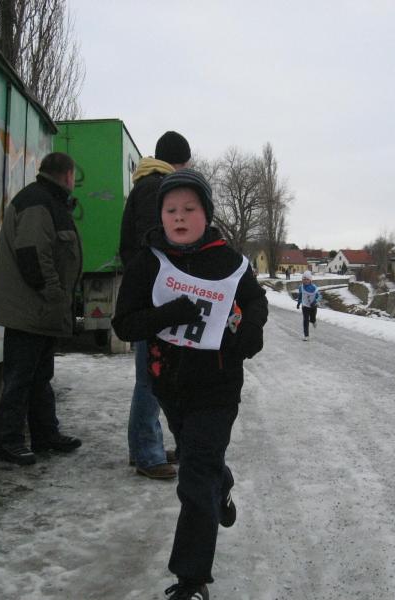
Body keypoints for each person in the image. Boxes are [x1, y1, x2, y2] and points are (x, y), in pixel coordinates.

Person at [112, 169, 268, 600]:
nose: (179, 217)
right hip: (170, 387)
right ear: (160, 216)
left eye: (189, 209)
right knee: (203, 464)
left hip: (218, 387)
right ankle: (222, 483)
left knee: (194, 477)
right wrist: (168, 314)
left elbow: (255, 299)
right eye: (170, 210)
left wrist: (251, 331)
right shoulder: (148, 263)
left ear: (206, 214)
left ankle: (191, 580)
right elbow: (125, 324)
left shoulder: (228, 261)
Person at [0, 152, 83, 466]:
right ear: (67, 175)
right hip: (30, 310)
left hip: (39, 310)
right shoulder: (38, 202)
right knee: (19, 379)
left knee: (40, 377)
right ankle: (11, 442)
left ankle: (46, 435)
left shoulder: (47, 200)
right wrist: (55, 295)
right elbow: (32, 256)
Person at [119, 131, 191, 480]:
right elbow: (156, 243)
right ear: (178, 161)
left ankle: (145, 447)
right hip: (152, 297)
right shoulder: (155, 188)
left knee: (153, 376)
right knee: (152, 377)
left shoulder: (148, 185)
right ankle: (147, 454)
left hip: (150, 294)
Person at [296, 270, 321, 341]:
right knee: (305, 320)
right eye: (304, 279)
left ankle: (313, 321)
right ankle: (306, 336)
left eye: (307, 279)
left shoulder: (314, 287)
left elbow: (319, 296)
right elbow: (300, 296)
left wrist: (315, 301)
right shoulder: (301, 287)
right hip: (305, 306)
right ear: (302, 280)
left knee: (312, 319)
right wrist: (298, 303)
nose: (306, 281)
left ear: (310, 280)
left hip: (313, 306)